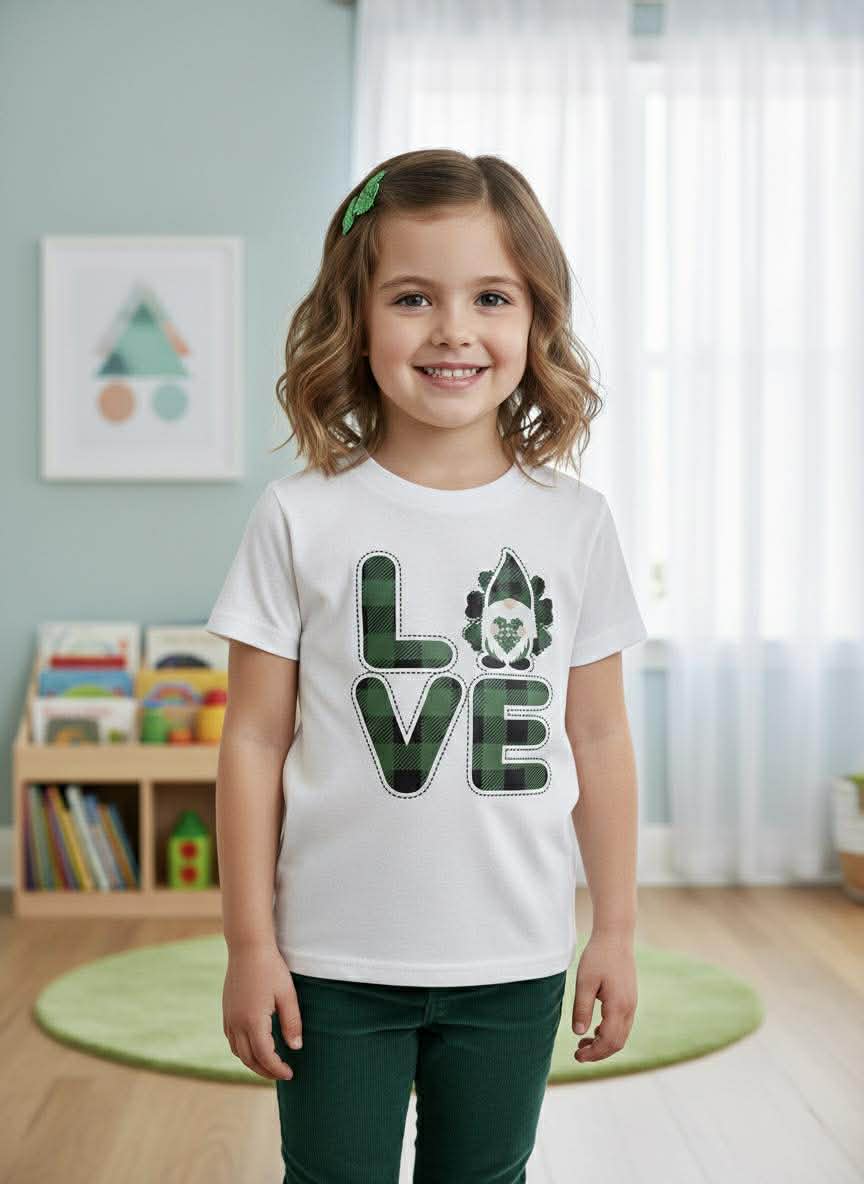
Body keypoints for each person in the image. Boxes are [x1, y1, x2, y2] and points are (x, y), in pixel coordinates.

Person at [206, 148, 648, 1184]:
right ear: (357, 320)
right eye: (414, 296)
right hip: (331, 962)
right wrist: (247, 941)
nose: (454, 328)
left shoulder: (576, 525)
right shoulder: (298, 517)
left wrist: (617, 929)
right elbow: (254, 738)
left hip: (516, 958)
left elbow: (600, 737)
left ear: (536, 320)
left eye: (491, 295)